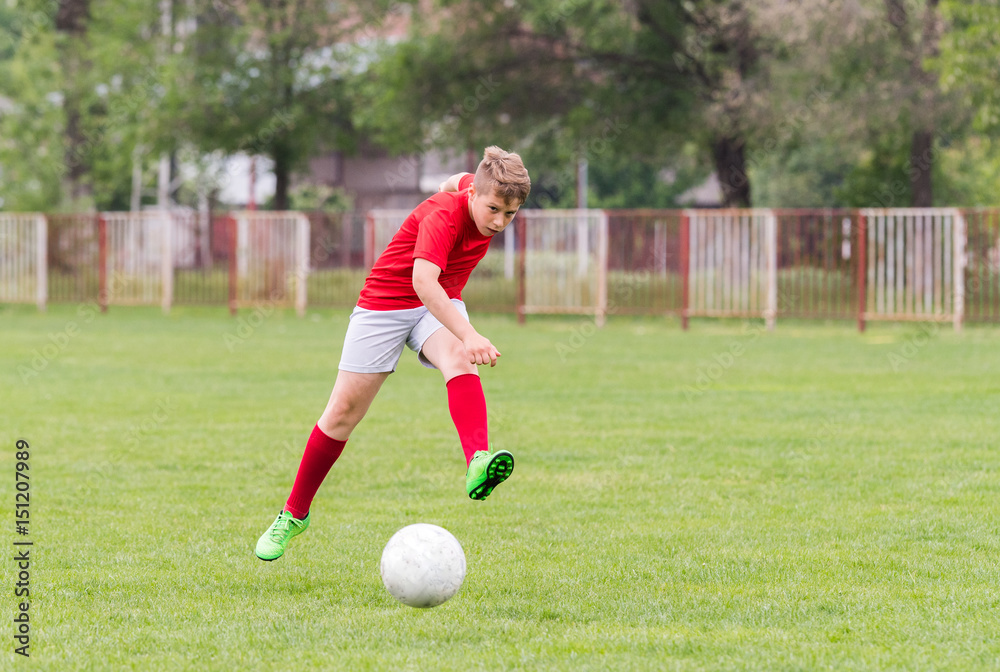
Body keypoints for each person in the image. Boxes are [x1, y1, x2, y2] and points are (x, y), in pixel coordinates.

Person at [255, 146, 531, 561]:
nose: (498, 222)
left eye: (510, 214)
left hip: (440, 302)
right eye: (493, 209)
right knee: (342, 412)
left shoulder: (471, 186)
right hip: (386, 304)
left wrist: (462, 338)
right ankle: (293, 515)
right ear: (476, 195)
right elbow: (423, 282)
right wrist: (470, 333)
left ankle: (478, 459)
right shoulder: (442, 215)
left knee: (456, 358)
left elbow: (453, 180)